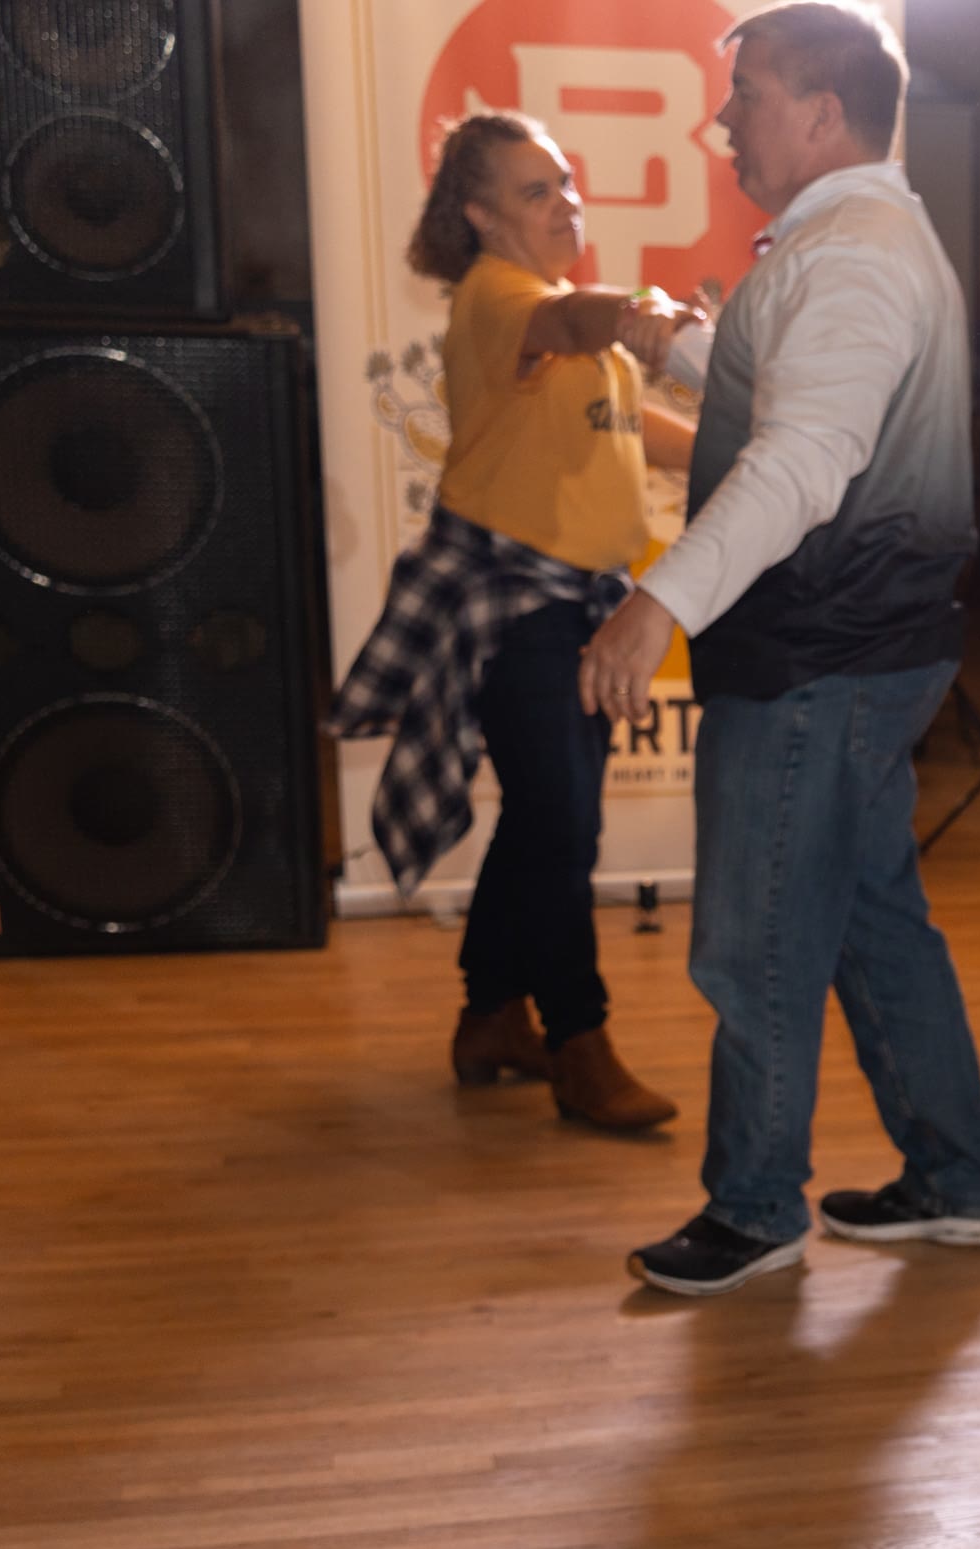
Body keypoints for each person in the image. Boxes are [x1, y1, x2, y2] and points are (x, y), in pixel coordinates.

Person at [577, 2, 980, 1297]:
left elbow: (807, 456)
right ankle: (957, 1178)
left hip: (817, 654)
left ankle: (755, 1205)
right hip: (861, 646)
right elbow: (811, 394)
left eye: (747, 95)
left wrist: (658, 600)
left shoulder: (853, 255)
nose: (722, 122)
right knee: (873, 920)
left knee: (758, 939)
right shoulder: (855, 242)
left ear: (823, 114)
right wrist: (681, 346)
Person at [327, 111, 699, 1132]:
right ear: (480, 216)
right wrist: (643, 313)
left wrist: (740, 441)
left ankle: (492, 1015)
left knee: (546, 822)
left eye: (567, 183)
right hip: (516, 609)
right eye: (537, 191)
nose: (566, 203)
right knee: (560, 824)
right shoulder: (500, 297)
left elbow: (635, 427)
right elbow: (576, 323)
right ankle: (580, 1044)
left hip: (573, 607)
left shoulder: (560, 316)